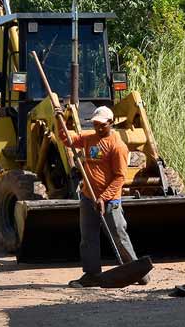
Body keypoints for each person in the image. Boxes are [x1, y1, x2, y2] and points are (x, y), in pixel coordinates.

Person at [57, 105, 146, 288]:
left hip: (110, 201)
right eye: (96, 124)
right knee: (88, 238)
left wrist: (104, 197)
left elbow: (120, 177)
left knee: (118, 235)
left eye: (102, 125)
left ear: (110, 123)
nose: (98, 128)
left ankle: (138, 271)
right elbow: (67, 139)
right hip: (89, 198)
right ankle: (91, 274)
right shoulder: (89, 139)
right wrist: (60, 121)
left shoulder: (118, 146)